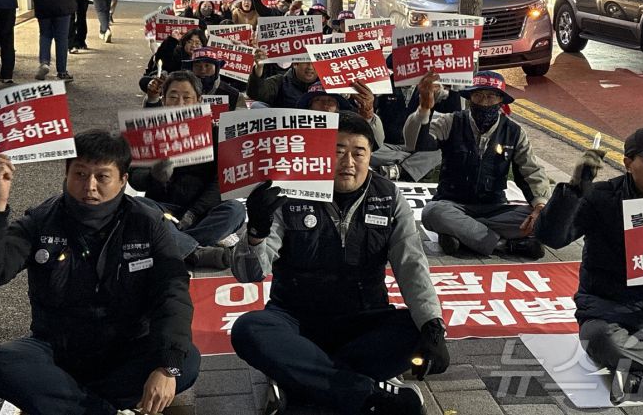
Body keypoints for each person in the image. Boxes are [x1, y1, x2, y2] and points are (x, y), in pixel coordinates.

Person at [0, 130, 200, 414]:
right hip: (59, 354)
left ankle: (66, 401)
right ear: (66, 174)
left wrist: (165, 367)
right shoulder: (42, 220)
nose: (89, 186)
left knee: (184, 362)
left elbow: (172, 292)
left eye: (102, 176)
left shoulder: (147, 223)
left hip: (126, 350)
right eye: (80, 174)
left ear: (123, 179)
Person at [230, 112, 449, 415]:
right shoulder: (288, 193)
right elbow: (248, 273)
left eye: (358, 152)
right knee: (248, 329)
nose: (347, 161)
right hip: (296, 321)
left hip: (363, 322)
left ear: (371, 156)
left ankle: (305, 383)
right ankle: (369, 393)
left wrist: (433, 324)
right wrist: (255, 232)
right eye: (337, 151)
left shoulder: (388, 196)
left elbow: (412, 264)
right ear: (319, 155)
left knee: (415, 329)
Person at [535, 127, 643, 405]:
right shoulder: (601, 197)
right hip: (610, 313)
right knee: (603, 340)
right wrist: (574, 190)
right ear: (628, 163)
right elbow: (551, 238)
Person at [404, 70, 551, 259]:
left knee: (542, 220)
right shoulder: (451, 122)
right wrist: (424, 109)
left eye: (491, 97)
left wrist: (540, 206)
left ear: (501, 101)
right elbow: (414, 142)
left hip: (494, 209)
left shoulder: (514, 132)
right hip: (452, 204)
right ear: (469, 98)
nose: (484, 102)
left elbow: (531, 171)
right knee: (432, 212)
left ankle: (462, 234)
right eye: (478, 96)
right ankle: (503, 244)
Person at [130, 71, 245, 269]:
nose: (180, 103)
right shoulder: (150, 133)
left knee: (235, 210)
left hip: (201, 213)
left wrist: (193, 212)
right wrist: (153, 175)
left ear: (199, 100)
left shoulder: (215, 134)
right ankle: (195, 253)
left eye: (187, 97)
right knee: (136, 206)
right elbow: (134, 177)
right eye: (173, 97)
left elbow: (221, 182)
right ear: (164, 100)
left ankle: (171, 244)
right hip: (162, 209)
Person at [298, 81, 385, 146]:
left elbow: (377, 144)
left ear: (338, 108)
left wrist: (368, 114)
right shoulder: (296, 126)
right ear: (309, 107)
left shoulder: (349, 126)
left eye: (331, 100)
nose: (325, 104)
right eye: (318, 100)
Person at [248, 52, 318, 108]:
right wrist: (259, 68)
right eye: (305, 62)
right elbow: (257, 93)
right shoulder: (280, 82)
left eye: (314, 62)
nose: (310, 67)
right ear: (295, 64)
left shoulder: (326, 85)